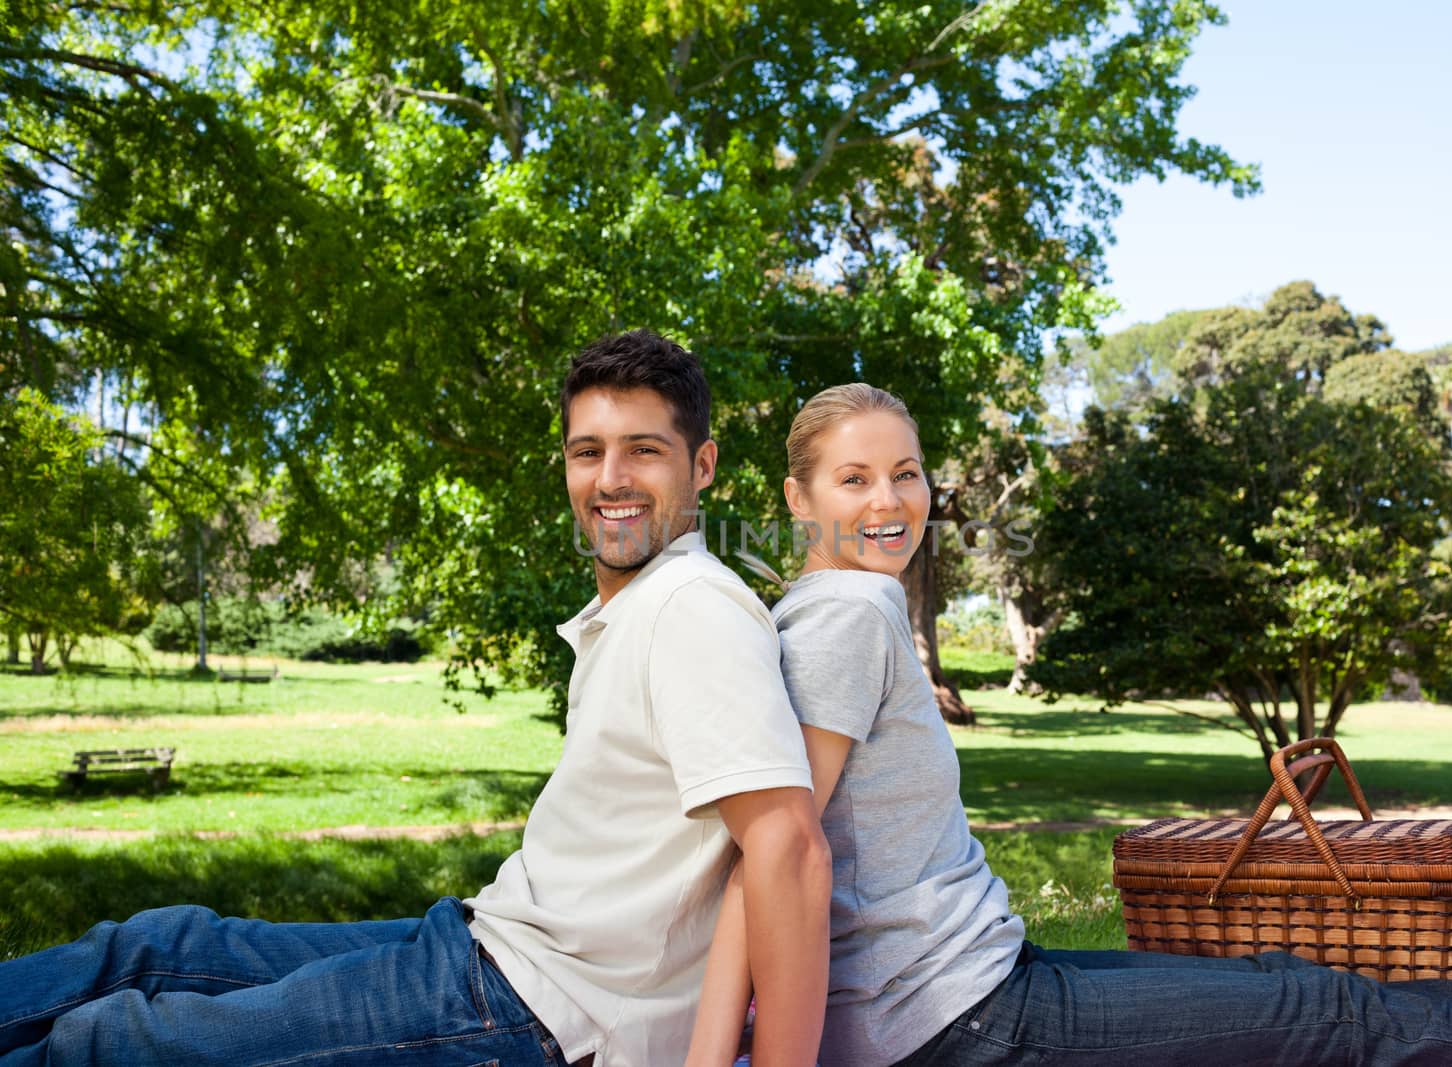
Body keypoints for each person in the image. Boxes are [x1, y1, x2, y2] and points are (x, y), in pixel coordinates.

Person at [688, 381, 1452, 1067]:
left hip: (982, 976)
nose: (888, 501)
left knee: (1280, 981)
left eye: (906, 472)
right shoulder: (851, 611)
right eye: (854, 479)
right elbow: (775, 857)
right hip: (959, 1021)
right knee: (1322, 1013)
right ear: (798, 497)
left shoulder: (818, 609)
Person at [0, 330, 832, 1067]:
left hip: (538, 1011)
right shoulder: (641, 605)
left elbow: (788, 851)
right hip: (484, 940)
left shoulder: (694, 607)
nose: (610, 478)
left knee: (115, 1043)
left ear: (704, 464)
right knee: (156, 946)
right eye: (588, 451)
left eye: (643, 450)